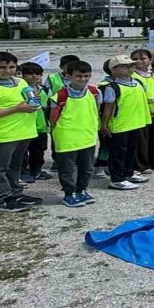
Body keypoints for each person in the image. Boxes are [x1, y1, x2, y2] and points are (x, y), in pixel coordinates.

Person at [0, 51, 42, 213]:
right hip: (1, 136)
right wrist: (16, 108)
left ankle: (15, 193)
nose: (7, 71)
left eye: (11, 67)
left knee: (15, 166)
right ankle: (2, 199)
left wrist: (33, 104)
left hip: (23, 132)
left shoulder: (20, 83)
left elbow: (31, 101)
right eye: (2, 67)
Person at [50, 61, 102, 208]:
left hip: (88, 136)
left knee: (87, 167)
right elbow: (53, 118)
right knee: (67, 168)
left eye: (86, 76)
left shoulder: (94, 92)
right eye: (79, 76)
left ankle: (82, 190)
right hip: (67, 137)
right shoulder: (60, 95)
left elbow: (96, 111)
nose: (83, 79)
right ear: (68, 76)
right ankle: (69, 194)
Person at [100, 55, 150, 189]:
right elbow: (108, 107)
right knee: (118, 153)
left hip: (136, 123)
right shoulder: (113, 87)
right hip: (119, 125)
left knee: (131, 150)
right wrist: (104, 125)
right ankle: (116, 179)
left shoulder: (138, 83)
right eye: (125, 66)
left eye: (131, 65)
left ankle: (128, 172)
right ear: (114, 70)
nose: (130, 68)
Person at [18, 62, 53, 184]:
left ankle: (36, 170)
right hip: (25, 126)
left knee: (39, 150)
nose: (34, 76)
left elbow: (49, 106)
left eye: (38, 74)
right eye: (30, 74)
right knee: (23, 152)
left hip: (41, 126)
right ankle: (23, 172)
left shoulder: (44, 89)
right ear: (23, 75)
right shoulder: (19, 90)